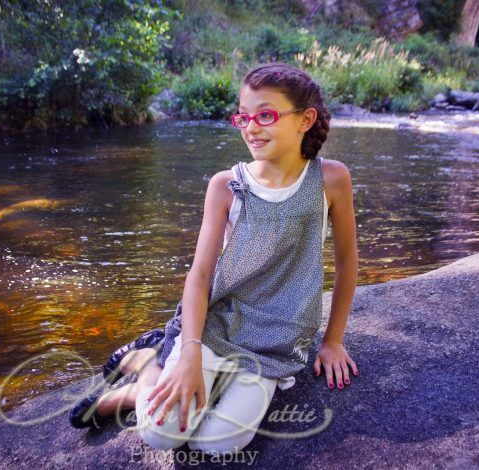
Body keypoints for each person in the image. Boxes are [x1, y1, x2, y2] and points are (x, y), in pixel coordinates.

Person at [69, 62, 359, 454]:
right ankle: (145, 373)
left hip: (275, 342)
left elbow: (346, 264)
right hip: (216, 325)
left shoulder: (331, 179)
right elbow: (201, 274)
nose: (251, 127)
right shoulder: (227, 185)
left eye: (266, 115)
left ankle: (146, 372)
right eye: (244, 116)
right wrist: (189, 352)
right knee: (161, 434)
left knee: (220, 443)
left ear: (305, 120)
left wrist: (333, 340)